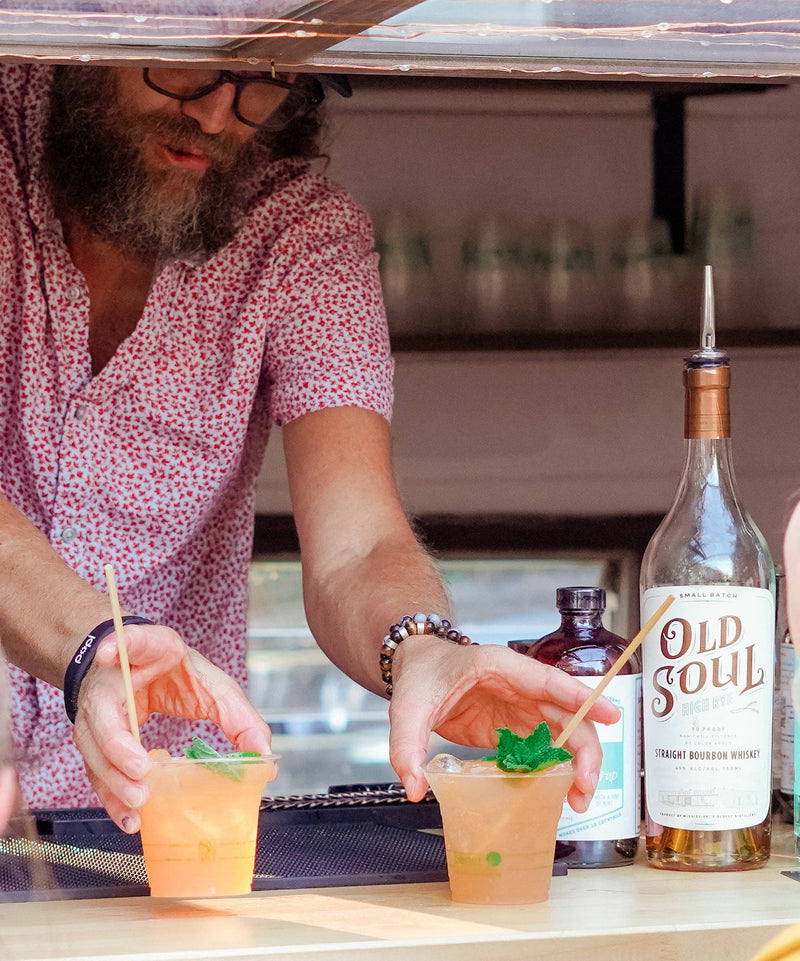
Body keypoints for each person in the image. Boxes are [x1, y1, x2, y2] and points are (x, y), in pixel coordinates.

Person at [0, 62, 619, 835]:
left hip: (153, 826)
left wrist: (424, 647)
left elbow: (357, 546)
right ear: (99, 33)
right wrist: (94, 643)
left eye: (265, 78)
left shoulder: (301, 233)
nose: (218, 116)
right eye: (190, 67)